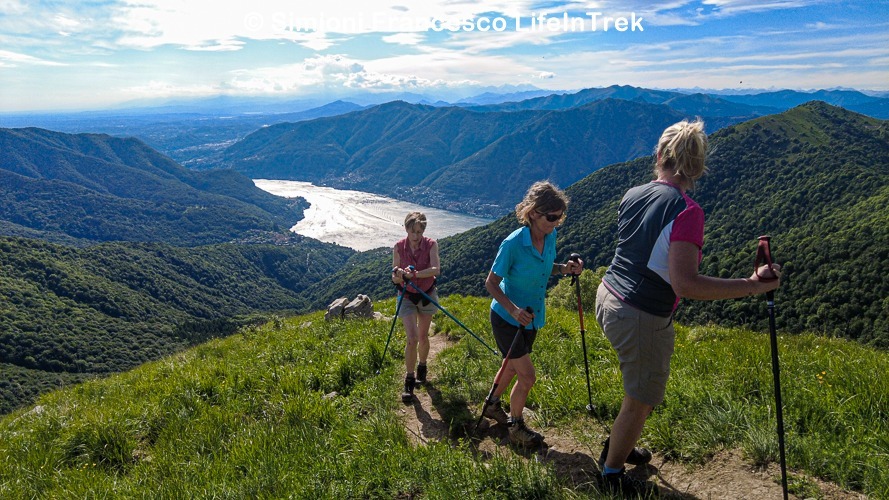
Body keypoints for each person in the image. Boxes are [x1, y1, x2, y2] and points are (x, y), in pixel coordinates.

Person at [595, 119, 782, 496]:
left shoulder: (634, 193)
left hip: (608, 295)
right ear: (698, 166)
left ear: (660, 155)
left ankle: (621, 443)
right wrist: (752, 285)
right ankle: (611, 474)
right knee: (642, 397)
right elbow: (686, 284)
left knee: (636, 387)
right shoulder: (687, 211)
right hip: (642, 313)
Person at [482, 181, 583, 446]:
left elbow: (544, 268)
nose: (556, 222)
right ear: (534, 213)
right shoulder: (513, 243)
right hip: (507, 319)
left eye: (560, 217)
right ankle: (516, 427)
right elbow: (491, 283)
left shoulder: (551, 236)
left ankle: (492, 405)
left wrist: (565, 269)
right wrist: (513, 310)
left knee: (513, 368)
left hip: (532, 318)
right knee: (527, 376)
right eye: (552, 217)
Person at [391, 212, 440, 403]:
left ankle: (423, 365)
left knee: (422, 336)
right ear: (406, 229)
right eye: (413, 231)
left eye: (419, 232)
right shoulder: (398, 247)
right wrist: (400, 274)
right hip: (406, 295)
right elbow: (394, 275)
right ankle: (409, 379)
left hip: (426, 294)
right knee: (412, 339)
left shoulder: (431, 244)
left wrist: (415, 275)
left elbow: (436, 269)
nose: (416, 236)